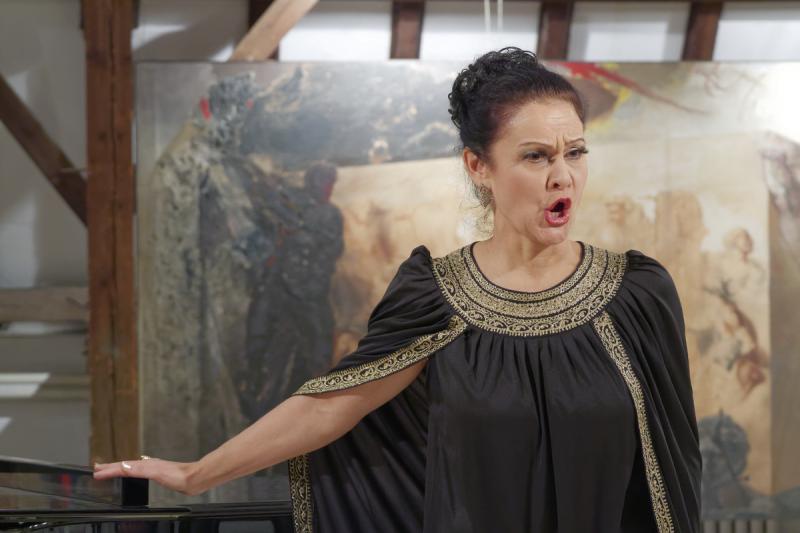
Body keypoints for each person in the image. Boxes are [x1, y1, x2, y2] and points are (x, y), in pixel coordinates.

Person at [94, 47, 702, 533]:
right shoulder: (435, 296)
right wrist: (197, 474)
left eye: (576, 152)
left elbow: (673, 472)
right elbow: (331, 405)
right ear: (479, 167)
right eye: (536, 156)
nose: (563, 175)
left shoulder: (637, 294)